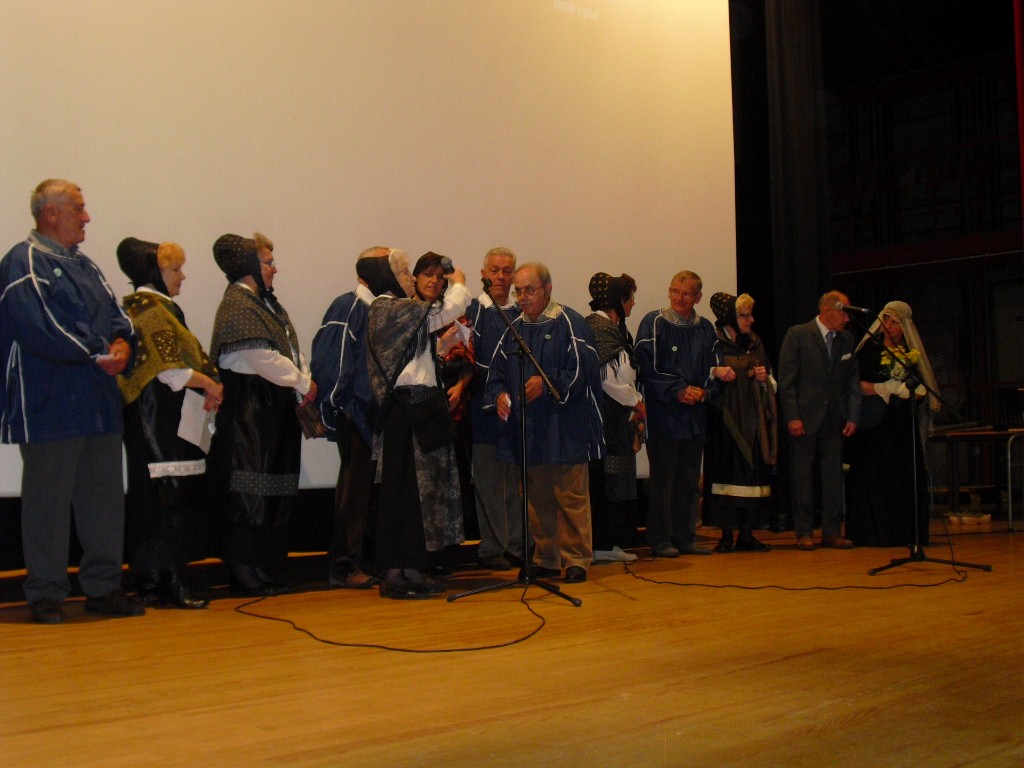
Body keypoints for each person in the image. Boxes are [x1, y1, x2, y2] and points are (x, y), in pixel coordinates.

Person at [0, 179, 143, 623]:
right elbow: (42, 326)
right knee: (47, 502)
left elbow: (119, 318)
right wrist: (101, 351)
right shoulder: (22, 262)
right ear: (51, 214)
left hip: (98, 403)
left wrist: (123, 344)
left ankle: (104, 587)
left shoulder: (87, 266)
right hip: (50, 406)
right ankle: (45, 593)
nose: (87, 217)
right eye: (78, 209)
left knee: (103, 499)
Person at [116, 237, 223, 609]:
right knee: (167, 498)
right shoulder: (150, 309)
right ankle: (168, 580)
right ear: (153, 272)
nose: (182, 276)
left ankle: (153, 580)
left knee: (160, 498)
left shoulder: (152, 307)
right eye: (175, 269)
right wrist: (209, 383)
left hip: (160, 416)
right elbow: (169, 369)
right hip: (156, 418)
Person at [208, 232, 316, 595]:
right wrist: (303, 383)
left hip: (270, 408)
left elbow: (288, 349)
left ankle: (263, 563)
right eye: (268, 262)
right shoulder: (238, 304)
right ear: (249, 265)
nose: (274, 268)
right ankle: (244, 568)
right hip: (249, 411)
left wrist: (302, 378)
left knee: (272, 488)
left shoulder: (264, 304)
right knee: (250, 491)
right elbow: (261, 357)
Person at [486, 262, 604, 583]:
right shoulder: (513, 330)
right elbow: (496, 374)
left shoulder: (570, 323)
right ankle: (546, 557)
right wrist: (499, 395)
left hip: (565, 427)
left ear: (548, 289)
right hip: (530, 430)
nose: (523, 297)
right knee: (537, 499)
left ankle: (576, 559)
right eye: (518, 292)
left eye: (530, 290)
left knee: (570, 497)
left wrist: (547, 382)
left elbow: (583, 372)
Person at [366, 251, 471, 599]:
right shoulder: (386, 307)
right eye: (402, 272)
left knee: (418, 497)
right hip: (404, 412)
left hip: (420, 408)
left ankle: (411, 568)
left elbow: (413, 359)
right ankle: (393, 575)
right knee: (402, 494)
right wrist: (459, 285)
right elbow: (445, 311)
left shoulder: (401, 310)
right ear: (385, 277)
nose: (410, 278)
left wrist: (442, 348)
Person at [309, 247, 406, 590]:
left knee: (370, 495)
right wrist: (337, 407)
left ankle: (365, 559)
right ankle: (343, 564)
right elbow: (330, 360)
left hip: (376, 417)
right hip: (355, 414)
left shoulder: (380, 309)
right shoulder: (348, 305)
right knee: (354, 493)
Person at [635, 270, 719, 557]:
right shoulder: (654, 322)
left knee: (689, 480)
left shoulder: (706, 328)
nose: (679, 298)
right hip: (664, 417)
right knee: (663, 481)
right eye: (675, 291)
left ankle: (686, 537)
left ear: (698, 297)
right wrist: (678, 390)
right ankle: (660, 540)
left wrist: (705, 392)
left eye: (686, 293)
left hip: (695, 418)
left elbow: (715, 369)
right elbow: (646, 368)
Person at [844, 301, 940, 547]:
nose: (889, 326)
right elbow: (856, 384)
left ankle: (905, 533)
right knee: (874, 476)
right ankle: (875, 533)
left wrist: (908, 392)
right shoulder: (869, 350)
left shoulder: (910, 354)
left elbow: (922, 387)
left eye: (895, 322)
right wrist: (883, 388)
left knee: (902, 477)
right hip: (874, 425)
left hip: (902, 426)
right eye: (886, 320)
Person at [777, 290, 861, 551]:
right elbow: (787, 382)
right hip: (804, 418)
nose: (847, 319)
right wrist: (793, 417)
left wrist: (853, 415)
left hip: (835, 419)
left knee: (833, 477)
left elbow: (853, 381)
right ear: (827, 310)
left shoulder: (847, 340)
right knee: (802, 477)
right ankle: (804, 532)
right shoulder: (798, 334)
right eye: (844, 312)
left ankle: (832, 532)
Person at [412, 251, 476, 571]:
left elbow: (469, 360)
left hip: (452, 409)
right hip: (420, 408)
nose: (435, 282)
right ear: (415, 278)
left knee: (449, 483)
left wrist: (461, 388)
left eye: (440, 277)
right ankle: (421, 555)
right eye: (428, 275)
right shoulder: (409, 312)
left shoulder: (454, 314)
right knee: (422, 487)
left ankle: (444, 553)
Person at [703, 293, 778, 553]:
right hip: (724, 419)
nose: (751, 320)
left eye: (750, 314)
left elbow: (771, 379)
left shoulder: (755, 342)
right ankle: (725, 535)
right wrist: (715, 371)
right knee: (726, 473)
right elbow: (699, 370)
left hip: (752, 420)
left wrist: (764, 377)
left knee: (750, 475)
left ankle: (747, 534)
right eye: (745, 315)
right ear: (730, 318)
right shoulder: (713, 341)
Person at [467, 247, 524, 571]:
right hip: (484, 412)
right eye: (495, 270)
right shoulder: (472, 311)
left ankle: (517, 545)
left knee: (515, 483)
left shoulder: (521, 314)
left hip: (518, 414)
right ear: (483, 274)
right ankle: (491, 548)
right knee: (489, 483)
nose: (500, 277)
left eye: (506, 271)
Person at [585, 272, 643, 564]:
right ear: (618, 300)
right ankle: (602, 543)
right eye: (630, 298)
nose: (633, 303)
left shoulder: (615, 328)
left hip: (615, 419)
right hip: (605, 419)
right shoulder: (599, 328)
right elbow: (606, 379)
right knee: (605, 481)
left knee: (614, 478)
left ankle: (609, 541)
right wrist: (637, 401)